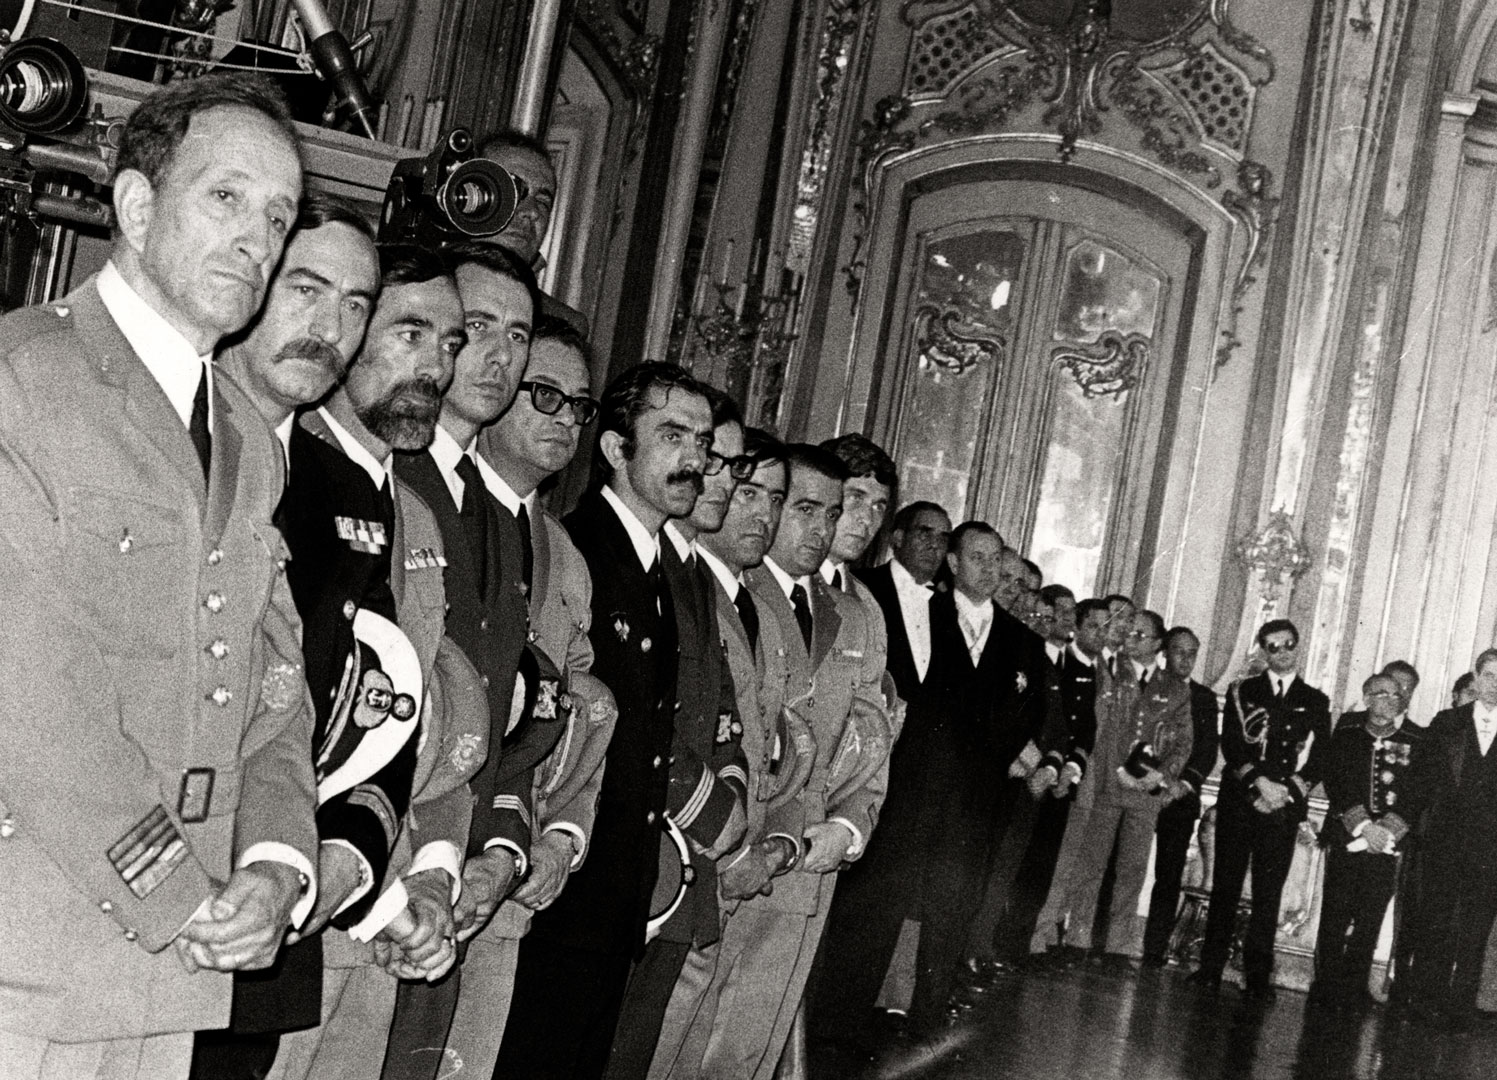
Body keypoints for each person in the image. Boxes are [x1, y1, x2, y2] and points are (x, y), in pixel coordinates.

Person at [0, 73, 316, 1080]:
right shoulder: (25, 382)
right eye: (225, 198)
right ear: (136, 207)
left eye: (278, 216)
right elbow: (31, 692)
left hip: (177, 971)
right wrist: (180, 890)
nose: (257, 239)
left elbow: (275, 690)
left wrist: (273, 868)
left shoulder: (250, 443)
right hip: (32, 949)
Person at [267, 245, 493, 1080]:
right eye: (409, 334)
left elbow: (414, 716)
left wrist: (425, 877)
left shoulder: (408, 509)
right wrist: (384, 899)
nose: (435, 367)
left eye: (448, 343)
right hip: (287, 885)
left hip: (363, 886)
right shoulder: (281, 469)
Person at [191, 193, 384, 1079]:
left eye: (355, 305)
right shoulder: (166, 430)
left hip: (273, 899)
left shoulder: (348, 493)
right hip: (136, 895)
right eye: (306, 288)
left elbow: (360, 699)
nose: (331, 327)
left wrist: (320, 857)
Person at [381, 243, 573, 1079]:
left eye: (518, 335)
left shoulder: (496, 512)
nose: (495, 356)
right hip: (383, 863)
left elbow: (504, 710)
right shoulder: (389, 470)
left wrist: (497, 847)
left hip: (452, 864)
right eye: (476, 328)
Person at [493, 363, 711, 1078]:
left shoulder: (658, 566)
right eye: (672, 435)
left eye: (702, 442)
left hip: (615, 887)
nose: (694, 459)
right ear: (616, 449)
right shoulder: (579, 545)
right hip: (563, 886)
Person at [434, 320, 617, 1077]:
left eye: (579, 405)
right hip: (424, 860)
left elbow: (579, 717)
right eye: (545, 395)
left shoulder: (564, 555)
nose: (565, 419)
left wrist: (558, 839)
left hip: (508, 873)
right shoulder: (436, 509)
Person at [645, 430, 810, 1080]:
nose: (763, 515)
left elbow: (774, 740)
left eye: (775, 498)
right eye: (748, 493)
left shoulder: (762, 613)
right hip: (677, 867)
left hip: (734, 869)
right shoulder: (678, 586)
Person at [604, 387, 751, 1080]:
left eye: (722, 462)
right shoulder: (636, 557)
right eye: (703, 456)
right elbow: (632, 716)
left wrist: (731, 802)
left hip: (678, 859)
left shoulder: (687, 575)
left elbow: (721, 716)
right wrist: (715, 814)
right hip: (640, 850)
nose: (710, 474)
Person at [808, 499, 952, 1057]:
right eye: (924, 535)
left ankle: (845, 1030)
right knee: (843, 908)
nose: (934, 548)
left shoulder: (944, 610)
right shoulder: (861, 591)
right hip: (852, 775)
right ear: (895, 538)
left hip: (911, 790)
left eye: (943, 539)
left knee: (883, 912)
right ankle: (816, 1030)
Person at [907, 523, 1048, 1034]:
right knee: (905, 898)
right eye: (979, 559)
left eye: (997, 561)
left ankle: (930, 1009)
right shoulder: (926, 613)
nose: (990, 571)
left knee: (958, 900)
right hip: (922, 786)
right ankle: (889, 1002)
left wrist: (1006, 752)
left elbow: (1028, 710)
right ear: (953, 563)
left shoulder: (1020, 639)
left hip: (981, 795)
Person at [1030, 610, 1191, 964]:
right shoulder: (1109, 670)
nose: (1130, 639)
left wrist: (1161, 776)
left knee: (1132, 870)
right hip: (1108, 783)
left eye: (1140, 635)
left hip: (1146, 791)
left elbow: (1183, 742)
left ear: (1157, 643)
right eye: (1129, 633)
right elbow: (1104, 729)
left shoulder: (1176, 689)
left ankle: (1118, 946)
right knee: (1092, 865)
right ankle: (1078, 939)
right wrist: (1117, 770)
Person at [1192, 618, 1331, 1001]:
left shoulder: (1315, 699)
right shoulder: (1243, 690)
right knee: (1225, 885)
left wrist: (1289, 789)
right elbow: (1233, 745)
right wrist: (1259, 783)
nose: (1281, 653)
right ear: (1262, 651)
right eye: (1273, 647)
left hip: (1282, 806)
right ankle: (1210, 968)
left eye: (1288, 645)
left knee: (1269, 893)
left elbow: (1322, 755)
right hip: (1241, 800)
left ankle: (1256, 977)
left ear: (1297, 646)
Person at [979, 593, 1103, 972]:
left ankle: (1007, 947)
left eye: (1058, 615)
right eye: (1046, 614)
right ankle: (986, 948)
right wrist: (1039, 765)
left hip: (1049, 775)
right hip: (1013, 774)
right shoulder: (1024, 655)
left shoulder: (1059, 665)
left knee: (1032, 870)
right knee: (997, 869)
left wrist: (1059, 766)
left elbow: (1068, 727)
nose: (1051, 622)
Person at [1311, 673, 1432, 1010]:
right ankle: (1326, 985)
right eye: (1379, 694)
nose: (1387, 701)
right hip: (1350, 835)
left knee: (1370, 917)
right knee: (1336, 913)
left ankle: (1353, 988)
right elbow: (1337, 779)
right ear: (1365, 698)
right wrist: (1364, 826)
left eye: (1394, 696)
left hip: (1387, 843)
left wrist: (1387, 830)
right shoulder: (1349, 732)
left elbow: (1417, 791)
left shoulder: (1415, 739)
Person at [1400, 648, 1497, 1030]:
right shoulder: (1446, 723)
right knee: (1434, 924)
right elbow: (1417, 783)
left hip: (1491, 851)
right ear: (1475, 677)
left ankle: (1459, 1010)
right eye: (1489, 675)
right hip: (1441, 843)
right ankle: (1424, 1003)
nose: (1496, 685)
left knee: (1475, 931)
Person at [1140, 626, 1221, 968]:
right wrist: (1152, 781)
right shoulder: (1147, 685)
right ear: (1165, 653)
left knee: (1169, 875)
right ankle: (1104, 943)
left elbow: (1206, 750)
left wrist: (1181, 785)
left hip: (1180, 797)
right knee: (1121, 866)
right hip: (1140, 790)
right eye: (1179, 651)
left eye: (1192, 653)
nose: (1186, 659)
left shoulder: (1203, 697)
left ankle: (1154, 950)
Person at [477, 127, 586, 334]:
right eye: (513, 191)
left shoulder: (559, 325)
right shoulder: (419, 287)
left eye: (543, 201)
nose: (532, 212)